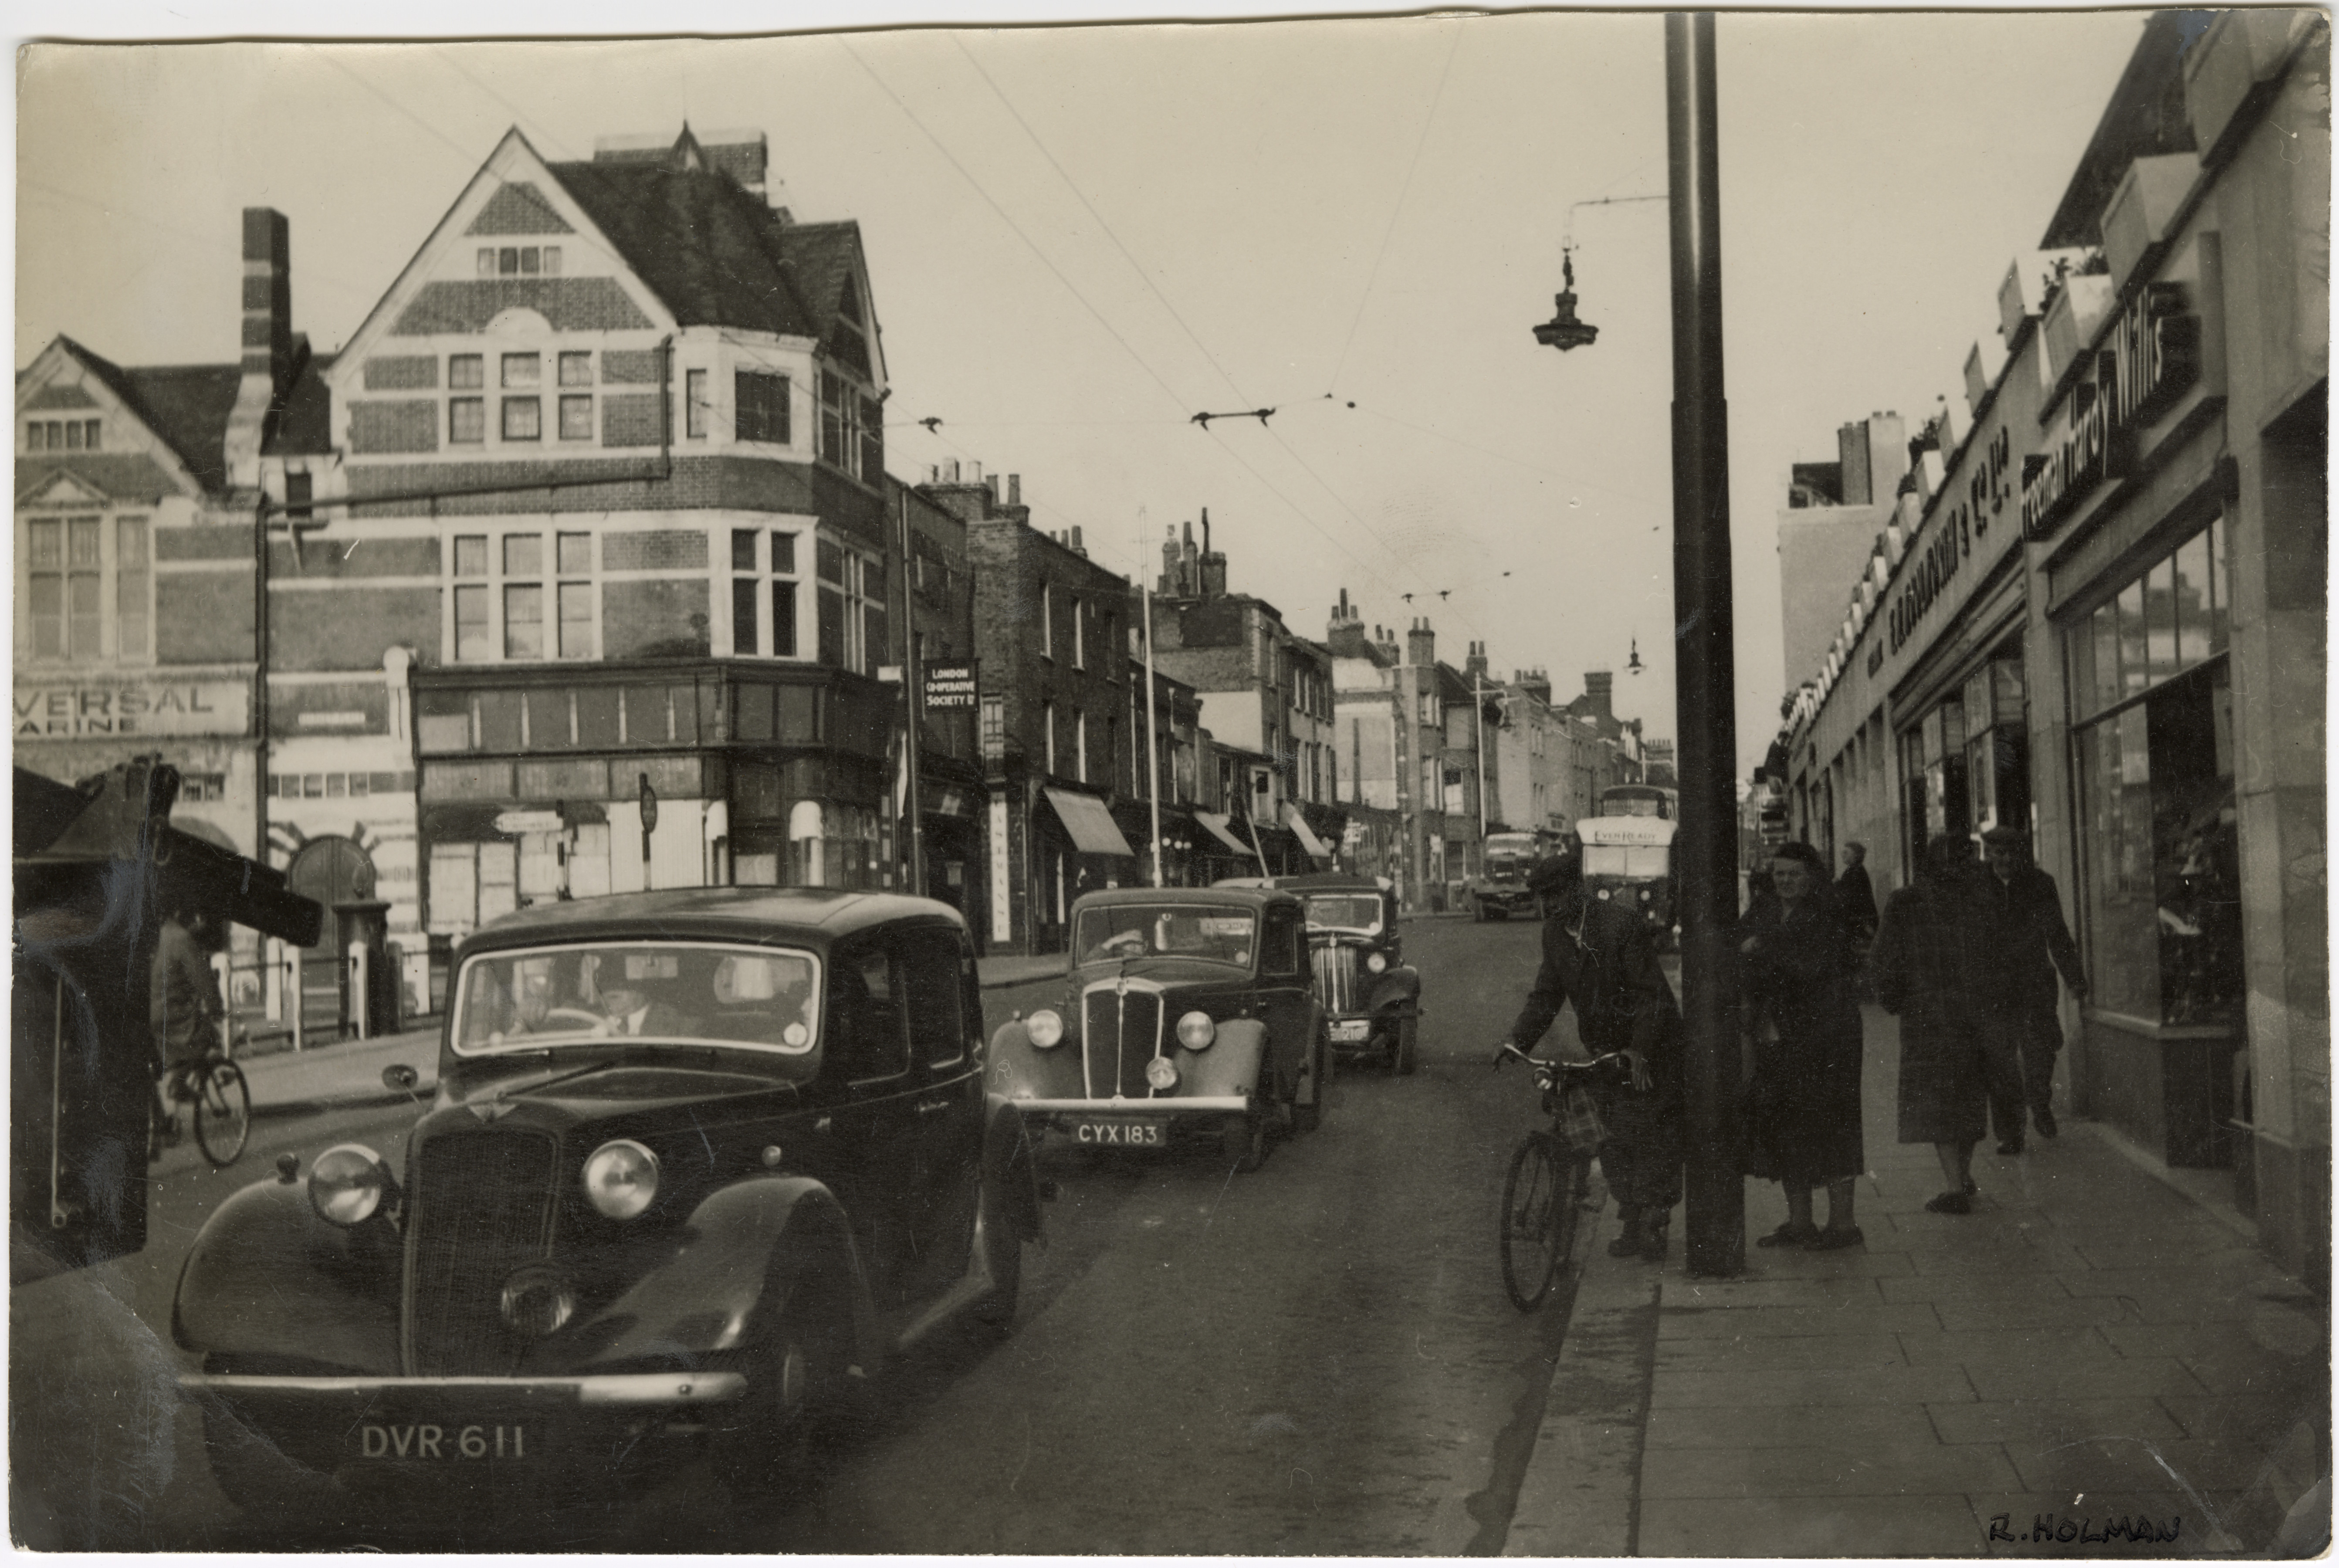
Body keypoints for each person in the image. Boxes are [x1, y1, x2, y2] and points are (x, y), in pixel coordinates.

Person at [1498, 852, 1686, 1262]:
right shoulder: (1554, 933)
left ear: (1577, 888)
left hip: (1652, 1045)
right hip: (1604, 1049)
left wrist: (1640, 1049)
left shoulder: (1621, 925)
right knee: (1612, 1135)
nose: (1549, 904)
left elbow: (1649, 993)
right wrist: (1517, 1040)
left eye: (1556, 893)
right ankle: (1632, 1217)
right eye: (1542, 897)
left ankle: (1654, 1220)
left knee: (1648, 1135)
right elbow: (1547, 994)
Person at [1739, 840, 1866, 1250]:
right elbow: (1736, 947)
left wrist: (1761, 950)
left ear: (1811, 877)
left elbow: (1811, 968)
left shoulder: (1829, 912)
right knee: (1786, 1125)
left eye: (1794, 874)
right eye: (1779, 873)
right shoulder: (1763, 908)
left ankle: (1843, 1225)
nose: (1786, 881)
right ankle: (1799, 1223)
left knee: (1832, 1124)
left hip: (1828, 1036)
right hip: (1778, 1032)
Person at [1872, 836, 1991, 1213]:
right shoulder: (1979, 901)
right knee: (1968, 1095)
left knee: (1937, 1098)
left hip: (1925, 1015)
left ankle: (1954, 1184)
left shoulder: (1906, 901)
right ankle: (1964, 1175)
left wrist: (1892, 999)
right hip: (1973, 1012)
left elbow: (1884, 958)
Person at [1975, 825, 2089, 1151]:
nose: (2005, 859)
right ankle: (2010, 1133)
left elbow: (2057, 933)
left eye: (2011, 853)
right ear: (1988, 853)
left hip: (2034, 983)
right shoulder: (1977, 886)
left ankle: (2039, 1100)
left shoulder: (2040, 884)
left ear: (2022, 854)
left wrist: (2075, 979)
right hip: (1993, 988)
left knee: (2040, 1051)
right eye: (1998, 852)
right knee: (2000, 1062)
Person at [151, 906, 226, 1144]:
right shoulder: (181, 938)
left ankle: (161, 1123)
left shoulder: (159, 936)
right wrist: (216, 1008)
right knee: (207, 1035)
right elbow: (202, 977)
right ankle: (180, 1083)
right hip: (172, 1015)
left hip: (149, 1014)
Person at [1835, 841, 1880, 944]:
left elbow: (1851, 894)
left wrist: (1838, 885)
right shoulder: (1855, 870)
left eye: (1846, 853)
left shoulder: (1855, 871)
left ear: (1855, 855)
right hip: (1859, 916)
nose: (1842, 855)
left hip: (1859, 917)